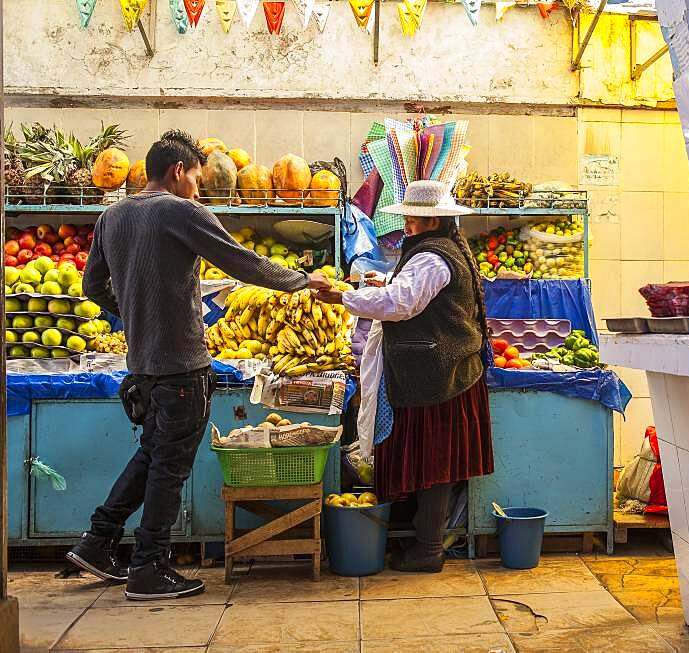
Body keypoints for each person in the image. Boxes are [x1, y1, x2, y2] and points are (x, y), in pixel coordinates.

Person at [69, 130, 333, 600]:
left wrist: (131, 312)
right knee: (170, 466)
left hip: (142, 367)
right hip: (181, 366)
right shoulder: (181, 210)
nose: (199, 185)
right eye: (195, 175)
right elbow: (239, 262)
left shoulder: (111, 216)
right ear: (177, 171)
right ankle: (149, 567)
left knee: (153, 452)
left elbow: (92, 287)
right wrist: (302, 281)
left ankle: (97, 540)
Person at [315, 180, 494, 573]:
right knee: (434, 462)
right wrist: (381, 285)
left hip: (436, 376)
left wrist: (343, 297)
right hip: (441, 373)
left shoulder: (433, 258)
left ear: (432, 219)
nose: (407, 222)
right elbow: (407, 293)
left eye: (412, 216)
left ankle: (428, 548)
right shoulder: (441, 249)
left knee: (433, 463)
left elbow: (401, 303)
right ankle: (421, 542)